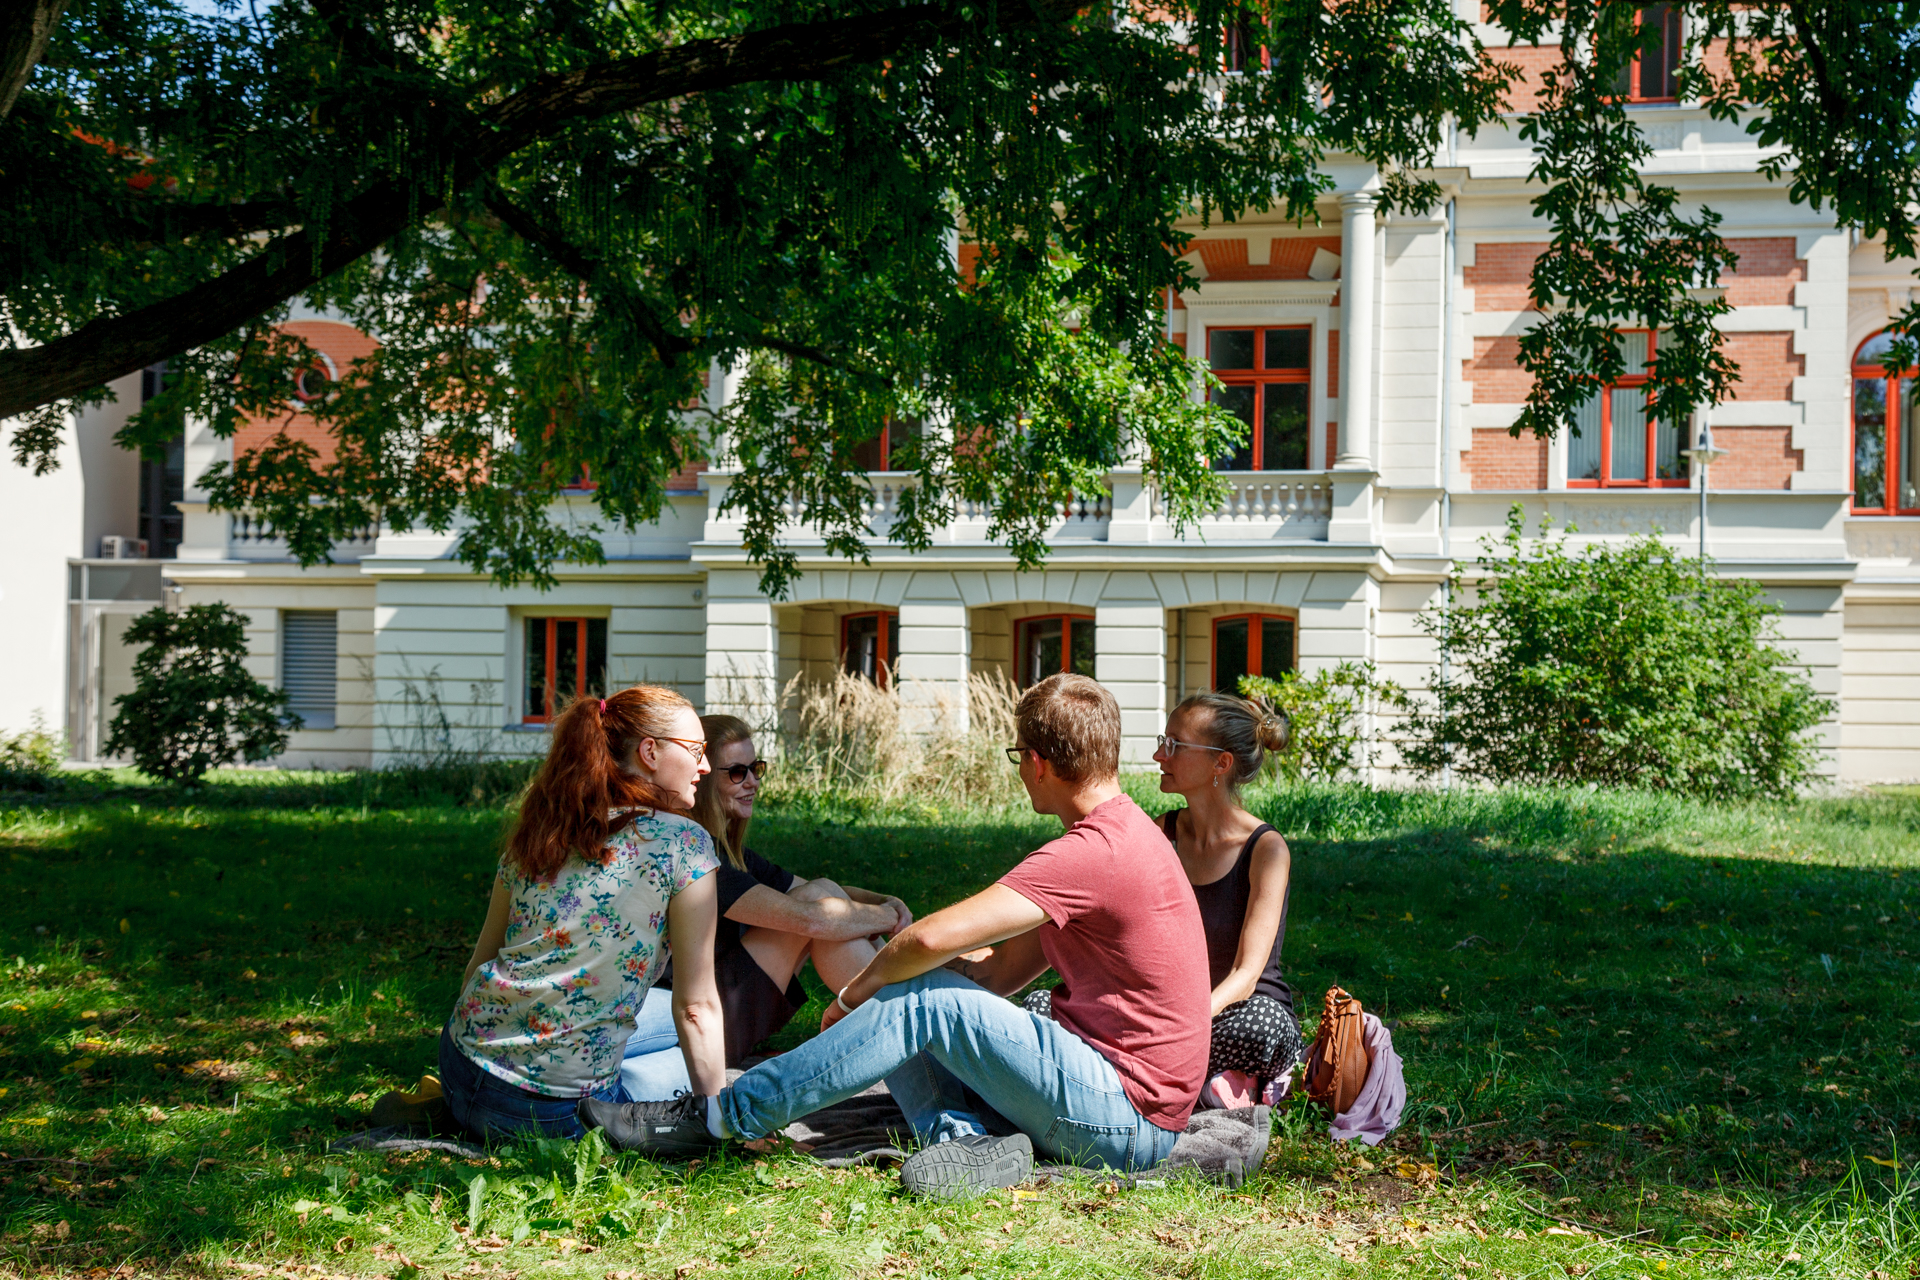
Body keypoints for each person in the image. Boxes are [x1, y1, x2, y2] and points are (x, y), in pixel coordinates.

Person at [581, 674, 1211, 1201]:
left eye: (1018, 758)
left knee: (920, 992)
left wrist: (859, 997)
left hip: (1128, 1120)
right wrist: (896, 1007)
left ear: (1037, 763)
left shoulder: (1093, 851)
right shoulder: (1125, 835)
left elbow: (931, 938)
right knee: (923, 995)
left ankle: (722, 1116)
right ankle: (964, 1146)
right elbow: (997, 971)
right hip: (1117, 1101)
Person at [435, 685, 728, 1140]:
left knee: (665, 1030)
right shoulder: (682, 844)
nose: (705, 767)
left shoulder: (543, 830)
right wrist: (716, 1119)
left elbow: (479, 964)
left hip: (460, 1066)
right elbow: (695, 1008)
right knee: (720, 1071)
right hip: (554, 1117)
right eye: (697, 750)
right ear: (650, 751)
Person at [620, 714, 913, 1098]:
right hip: (698, 1014)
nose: (753, 782)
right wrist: (891, 918)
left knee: (823, 893)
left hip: (713, 1003)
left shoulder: (724, 849)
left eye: (756, 768)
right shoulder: (695, 853)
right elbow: (813, 917)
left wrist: (883, 900)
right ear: (704, 776)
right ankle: (913, 1026)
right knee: (817, 909)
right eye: (737, 772)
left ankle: (911, 1021)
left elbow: (823, 891)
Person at [1148, 690, 1301, 1109]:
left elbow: (1246, 975)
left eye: (1174, 745)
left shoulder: (1266, 850)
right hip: (1167, 1016)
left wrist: (1182, 1026)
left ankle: (1160, 1076)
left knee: (1262, 1026)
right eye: (1163, 741)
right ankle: (1202, 1085)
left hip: (1236, 1013)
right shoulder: (1160, 834)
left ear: (1221, 762)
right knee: (1045, 1003)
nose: (1160, 755)